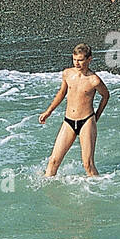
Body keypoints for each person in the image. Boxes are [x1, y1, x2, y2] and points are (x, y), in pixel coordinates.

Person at [39, 43, 110, 177]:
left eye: (80, 60)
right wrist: (48, 112)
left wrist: (96, 116)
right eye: (74, 59)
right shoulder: (67, 74)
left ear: (89, 59)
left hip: (87, 121)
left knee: (88, 165)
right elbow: (61, 93)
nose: (77, 63)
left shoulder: (94, 80)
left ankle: (99, 190)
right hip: (68, 122)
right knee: (53, 161)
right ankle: (47, 193)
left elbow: (106, 96)